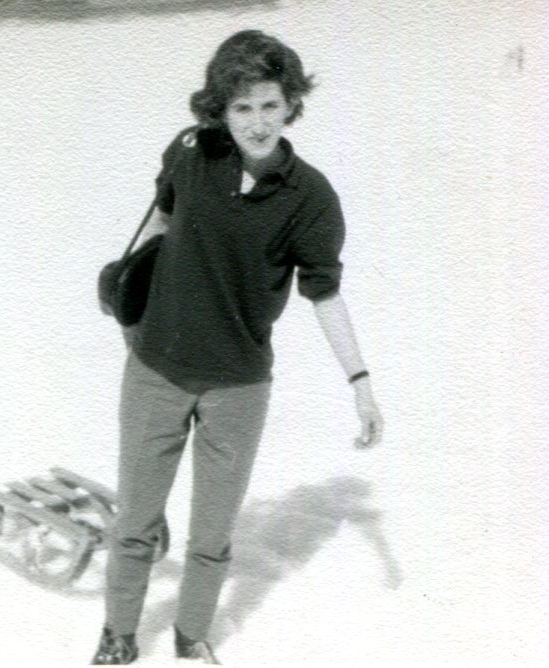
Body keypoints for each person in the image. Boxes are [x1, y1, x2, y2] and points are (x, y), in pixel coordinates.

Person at [92, 29, 384, 665]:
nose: (257, 122)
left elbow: (324, 294)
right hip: (156, 370)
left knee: (212, 532)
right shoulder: (190, 154)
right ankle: (118, 636)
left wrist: (360, 381)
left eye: (270, 105)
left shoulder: (310, 198)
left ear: (291, 104)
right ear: (220, 109)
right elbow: (163, 218)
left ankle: (191, 637)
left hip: (239, 385)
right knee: (136, 520)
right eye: (242, 106)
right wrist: (131, 280)